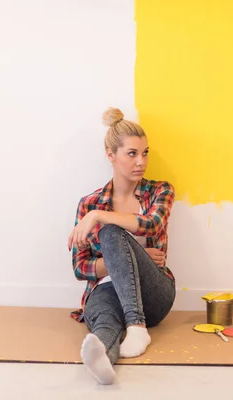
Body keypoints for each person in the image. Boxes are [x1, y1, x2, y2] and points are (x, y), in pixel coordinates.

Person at [67, 107, 176, 385]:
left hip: (154, 294)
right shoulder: (88, 203)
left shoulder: (160, 191)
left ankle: (138, 326)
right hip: (107, 290)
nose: (141, 162)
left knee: (111, 233)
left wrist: (99, 217)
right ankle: (102, 357)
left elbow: (152, 224)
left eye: (145, 153)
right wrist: (130, 257)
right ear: (110, 155)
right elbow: (81, 268)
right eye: (132, 154)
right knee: (104, 317)